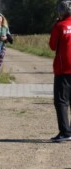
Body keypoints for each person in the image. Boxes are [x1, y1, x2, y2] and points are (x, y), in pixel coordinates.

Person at [50, 0, 71, 142]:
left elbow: (52, 46)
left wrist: (55, 25)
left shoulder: (60, 26)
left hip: (64, 69)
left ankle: (65, 132)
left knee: (61, 101)